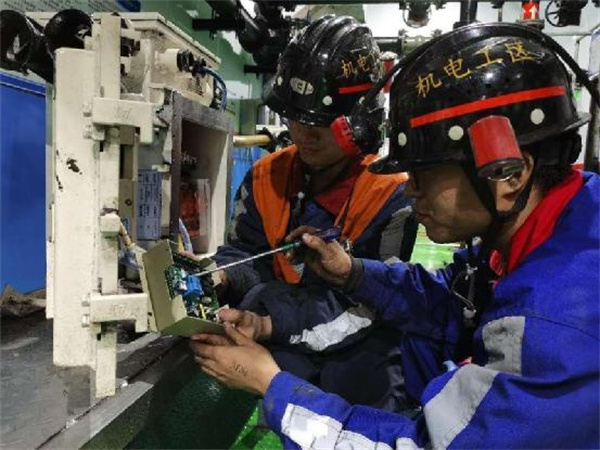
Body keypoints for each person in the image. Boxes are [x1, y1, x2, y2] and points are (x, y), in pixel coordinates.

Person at [190, 22, 600, 448]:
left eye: (424, 173)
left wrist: (271, 383)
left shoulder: (555, 328)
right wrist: (352, 273)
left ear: (508, 174)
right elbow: (450, 301)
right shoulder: (560, 226)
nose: (411, 189)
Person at [208, 15, 417, 410]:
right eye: (295, 117)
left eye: (320, 122)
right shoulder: (265, 176)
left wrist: (267, 324)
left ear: (360, 123)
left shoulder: (391, 194)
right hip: (283, 349)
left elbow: (370, 306)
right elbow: (247, 256)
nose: (303, 133)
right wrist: (221, 276)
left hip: (361, 371)